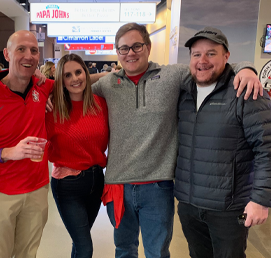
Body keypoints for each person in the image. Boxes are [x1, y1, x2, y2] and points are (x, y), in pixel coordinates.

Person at [91, 22, 262, 258]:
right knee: (124, 249)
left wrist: (247, 68)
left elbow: (212, 67)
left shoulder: (172, 76)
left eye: (137, 46)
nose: (130, 53)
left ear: (148, 47)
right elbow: (74, 84)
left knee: (157, 252)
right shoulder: (107, 84)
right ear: (117, 52)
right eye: (124, 48)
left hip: (158, 187)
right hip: (118, 186)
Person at [175, 27, 271, 258]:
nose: (203, 61)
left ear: (227, 56)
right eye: (196, 54)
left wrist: (261, 199)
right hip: (189, 205)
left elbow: (267, 148)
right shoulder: (184, 92)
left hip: (228, 209)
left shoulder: (246, 91)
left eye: (211, 53)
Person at [0, 30, 53, 258]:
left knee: (28, 253)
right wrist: (9, 152)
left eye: (34, 50)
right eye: (21, 49)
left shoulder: (43, 88)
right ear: (7, 54)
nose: (28, 55)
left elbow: (78, 84)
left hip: (37, 189)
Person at [46, 54, 109, 258]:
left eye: (78, 72)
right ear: (61, 80)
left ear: (86, 72)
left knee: (80, 241)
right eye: (68, 75)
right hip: (67, 184)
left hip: (96, 180)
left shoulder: (101, 104)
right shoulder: (52, 108)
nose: (75, 79)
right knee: (85, 247)